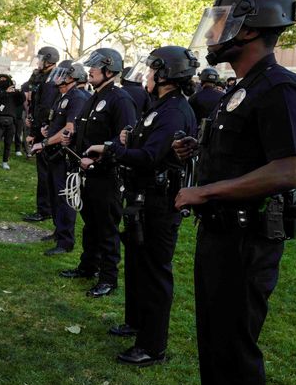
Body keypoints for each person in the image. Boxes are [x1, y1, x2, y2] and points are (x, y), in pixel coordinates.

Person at [171, 0, 296, 385]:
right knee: (214, 334)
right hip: (221, 234)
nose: (213, 34)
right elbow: (245, 152)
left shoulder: (279, 87)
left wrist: (206, 193)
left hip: (249, 239)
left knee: (236, 342)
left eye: (222, 22)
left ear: (250, 27)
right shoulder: (242, 88)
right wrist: (198, 149)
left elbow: (290, 170)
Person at [87, 46, 198, 366]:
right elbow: (145, 143)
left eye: (152, 71)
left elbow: (150, 158)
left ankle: (152, 345)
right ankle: (135, 322)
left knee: (154, 273)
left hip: (160, 205)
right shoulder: (160, 106)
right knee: (137, 266)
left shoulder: (174, 110)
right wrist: (125, 139)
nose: (147, 76)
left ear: (165, 74)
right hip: (142, 201)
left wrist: (110, 150)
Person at [59, 48, 136, 298]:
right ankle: (88, 266)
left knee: (107, 228)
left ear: (110, 71)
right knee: (90, 224)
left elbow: (124, 138)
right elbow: (86, 131)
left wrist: (97, 160)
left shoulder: (120, 99)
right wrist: (71, 141)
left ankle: (108, 278)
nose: (90, 70)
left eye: (95, 66)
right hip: (87, 174)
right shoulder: (93, 96)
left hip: (107, 176)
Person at [30, 62, 88, 255]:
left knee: (64, 198)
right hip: (54, 155)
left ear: (74, 77)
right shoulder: (62, 96)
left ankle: (65, 242)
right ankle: (58, 230)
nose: (59, 78)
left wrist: (44, 143)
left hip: (64, 156)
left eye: (63, 75)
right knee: (55, 195)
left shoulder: (77, 97)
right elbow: (57, 122)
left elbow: (69, 129)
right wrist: (46, 130)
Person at [24, 46, 60, 222]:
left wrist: (34, 132)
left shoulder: (50, 81)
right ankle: (48, 208)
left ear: (48, 60)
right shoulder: (46, 78)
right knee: (46, 172)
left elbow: (45, 109)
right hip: (43, 128)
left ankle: (44, 209)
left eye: (40, 59)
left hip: (44, 132)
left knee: (44, 173)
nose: (38, 62)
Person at [0, 73, 23, 170]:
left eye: (4, 79)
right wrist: (6, 92)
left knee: (8, 143)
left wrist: (19, 91)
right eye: (0, 79)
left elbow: (21, 101)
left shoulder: (14, 91)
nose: (2, 80)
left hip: (11, 120)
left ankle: (5, 162)